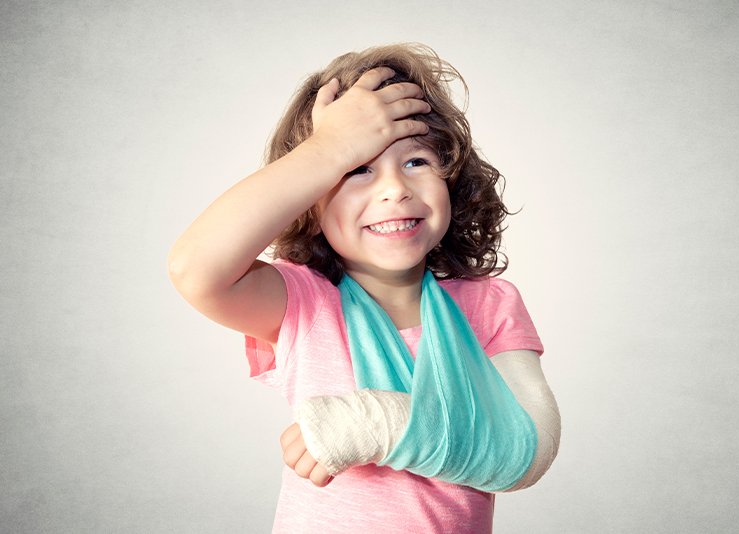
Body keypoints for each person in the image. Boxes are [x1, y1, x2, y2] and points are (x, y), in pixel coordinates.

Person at [168, 43, 560, 534]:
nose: (394, 189)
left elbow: (526, 453)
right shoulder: (302, 304)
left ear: (452, 179)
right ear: (310, 199)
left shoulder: (489, 304)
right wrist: (328, 148)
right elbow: (194, 269)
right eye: (357, 169)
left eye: (416, 161)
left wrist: (372, 423)